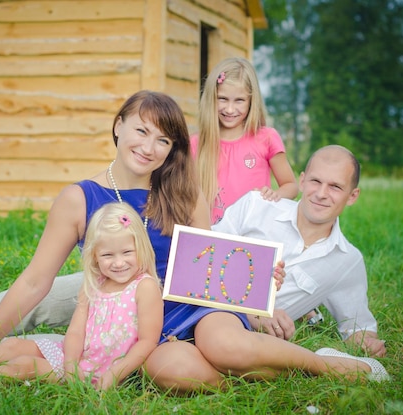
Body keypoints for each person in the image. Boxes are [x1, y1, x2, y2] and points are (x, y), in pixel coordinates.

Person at [0, 89, 212, 350]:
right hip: (106, 291)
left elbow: (209, 267)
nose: (148, 147)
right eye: (141, 131)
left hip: (163, 307)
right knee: (44, 297)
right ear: (118, 126)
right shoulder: (79, 198)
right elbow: (33, 282)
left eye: (163, 140)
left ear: (172, 149)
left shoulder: (184, 194)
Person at [144, 145, 389, 393]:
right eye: (316, 181)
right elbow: (205, 258)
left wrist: (366, 342)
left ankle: (292, 367)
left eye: (335, 187)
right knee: (175, 367)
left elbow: (356, 325)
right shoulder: (256, 207)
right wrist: (253, 310)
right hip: (210, 311)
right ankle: (320, 367)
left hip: (243, 337)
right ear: (302, 181)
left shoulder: (347, 261)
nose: (322, 193)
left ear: (353, 196)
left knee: (206, 353)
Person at [0, 203, 164, 390]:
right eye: (108, 255)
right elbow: (75, 332)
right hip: (74, 361)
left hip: (98, 373)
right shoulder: (95, 285)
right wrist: (68, 363)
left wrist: (114, 374)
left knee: (24, 365)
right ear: (94, 256)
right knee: (11, 346)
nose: (118, 263)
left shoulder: (144, 287)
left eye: (127, 253)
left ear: (141, 248)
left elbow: (147, 341)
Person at [192, 57, 298, 224]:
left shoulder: (266, 138)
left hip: (253, 233)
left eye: (239, 100)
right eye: (223, 99)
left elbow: (291, 186)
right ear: (211, 98)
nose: (230, 109)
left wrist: (275, 195)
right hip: (210, 235)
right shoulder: (195, 144)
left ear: (251, 101)